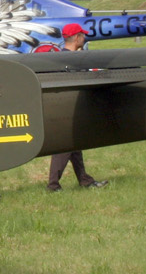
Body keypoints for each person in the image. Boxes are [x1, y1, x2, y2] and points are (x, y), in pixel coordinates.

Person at [36, 24, 109, 190]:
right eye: (82, 35)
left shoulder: (58, 57)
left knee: (74, 145)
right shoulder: (73, 60)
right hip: (68, 109)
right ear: (77, 37)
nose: (84, 38)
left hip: (62, 107)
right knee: (66, 144)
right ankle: (53, 185)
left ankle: (85, 180)